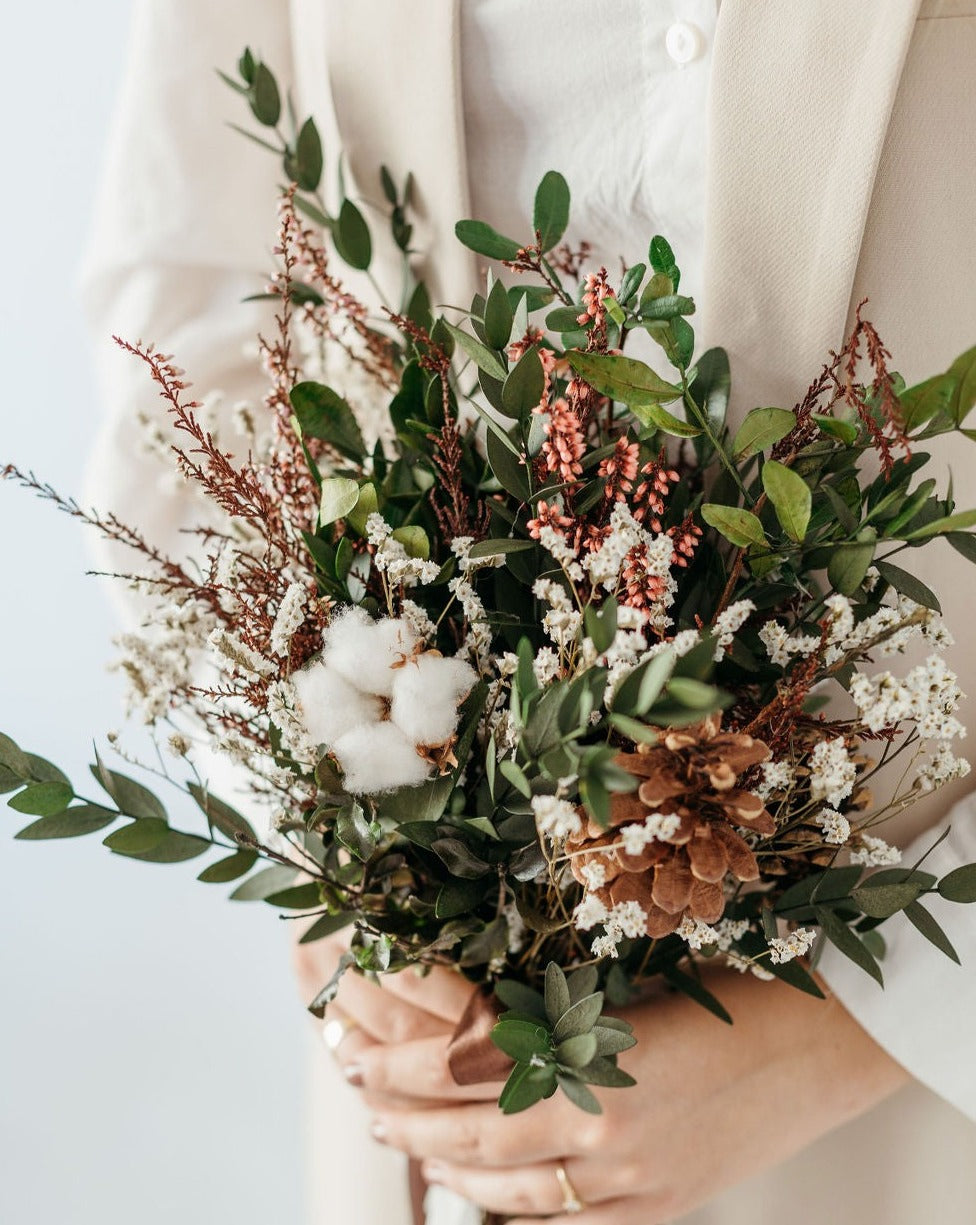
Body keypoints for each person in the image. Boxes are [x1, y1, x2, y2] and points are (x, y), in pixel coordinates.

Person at [83, 2, 976, 1222]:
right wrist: (343, 854)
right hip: (446, 1049)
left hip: (923, 1077)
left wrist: (863, 1032)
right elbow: (194, 323)